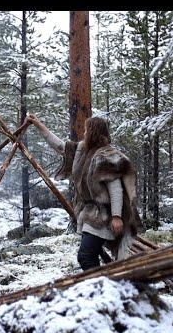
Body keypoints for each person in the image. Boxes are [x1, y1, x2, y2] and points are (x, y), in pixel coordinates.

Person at [26, 113, 142, 270]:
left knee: (85, 256)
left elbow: (116, 190)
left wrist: (116, 217)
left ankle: (99, 286)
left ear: (94, 133)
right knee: (91, 255)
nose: (84, 133)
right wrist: (39, 125)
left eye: (87, 131)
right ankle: (103, 285)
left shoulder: (107, 156)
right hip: (89, 213)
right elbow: (60, 146)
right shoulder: (82, 150)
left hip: (103, 216)